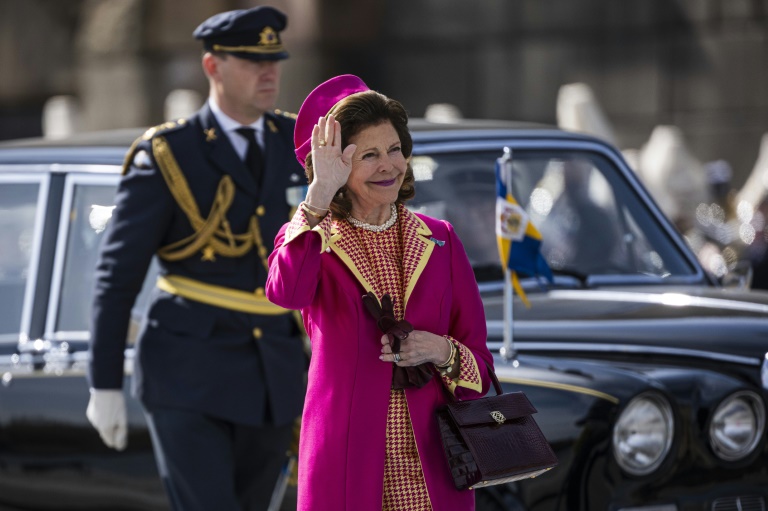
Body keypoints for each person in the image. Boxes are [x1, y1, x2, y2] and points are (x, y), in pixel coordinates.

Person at [85, 6, 307, 511]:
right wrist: (104, 383)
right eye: (252, 61)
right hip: (189, 372)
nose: (269, 72)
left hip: (273, 371)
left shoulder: (297, 146)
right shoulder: (169, 154)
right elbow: (116, 276)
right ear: (213, 67)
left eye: (274, 60)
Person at [266, 74, 494, 511]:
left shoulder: (441, 239)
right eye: (368, 155)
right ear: (336, 167)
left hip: (435, 462)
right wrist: (317, 197)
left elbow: (480, 371)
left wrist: (440, 349)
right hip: (344, 460)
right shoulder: (314, 239)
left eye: (394, 149)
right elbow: (285, 292)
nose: (389, 165)